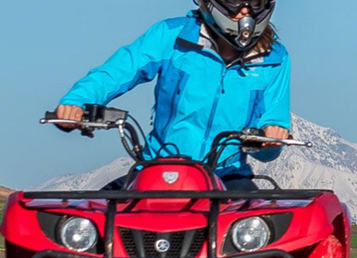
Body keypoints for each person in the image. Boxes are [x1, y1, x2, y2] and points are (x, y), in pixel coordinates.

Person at [56, 0, 289, 191]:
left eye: (255, 2)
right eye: (235, 1)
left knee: (267, 232)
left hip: (228, 176)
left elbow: (273, 125)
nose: (245, 10)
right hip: (157, 170)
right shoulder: (172, 36)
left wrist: (271, 139)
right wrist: (76, 102)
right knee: (93, 223)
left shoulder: (274, 58)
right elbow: (116, 72)